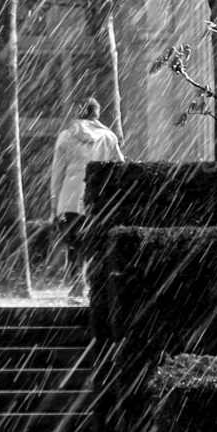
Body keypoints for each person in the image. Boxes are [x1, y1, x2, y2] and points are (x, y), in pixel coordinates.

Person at [51, 97, 124, 298]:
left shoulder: (66, 137)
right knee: (93, 242)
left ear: (78, 112)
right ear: (96, 113)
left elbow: (58, 172)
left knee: (73, 243)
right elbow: (120, 166)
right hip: (96, 199)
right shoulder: (108, 137)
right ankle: (95, 283)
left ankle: (77, 282)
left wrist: (54, 202)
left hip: (70, 197)